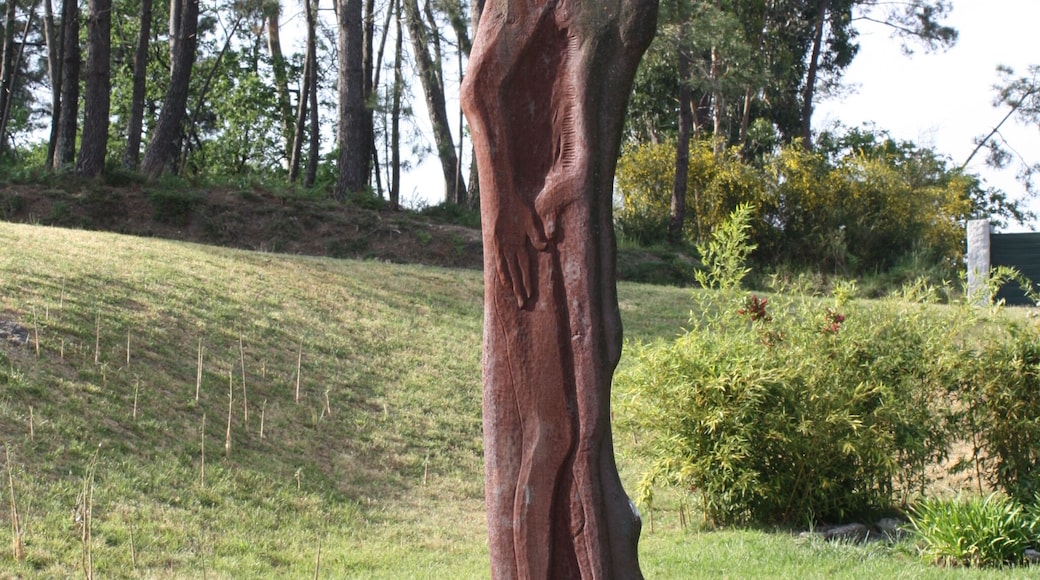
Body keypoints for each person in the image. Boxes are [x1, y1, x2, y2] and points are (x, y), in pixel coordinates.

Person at [460, 0, 657, 577]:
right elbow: (480, 87)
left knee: (581, 424)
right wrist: (500, 206)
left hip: (579, 229)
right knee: (549, 428)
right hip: (534, 233)